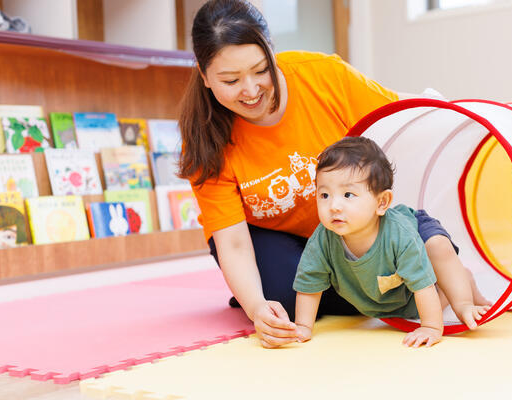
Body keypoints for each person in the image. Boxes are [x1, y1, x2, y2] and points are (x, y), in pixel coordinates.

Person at [178, 0, 477, 348]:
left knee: (422, 252)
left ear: (272, 51)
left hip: (340, 228)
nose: (251, 89)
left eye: (261, 70)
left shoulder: (322, 76)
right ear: (203, 75)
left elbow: (399, 111)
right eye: (230, 80)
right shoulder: (205, 138)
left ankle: (362, 281)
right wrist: (257, 306)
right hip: (263, 235)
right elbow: (233, 242)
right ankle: (275, 285)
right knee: (289, 300)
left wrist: (470, 113)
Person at [293, 137, 491, 348]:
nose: (334, 206)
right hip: (397, 291)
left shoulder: (400, 236)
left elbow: (422, 284)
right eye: (324, 195)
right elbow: (310, 283)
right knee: (417, 305)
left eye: (348, 194)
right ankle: (461, 279)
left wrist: (431, 327)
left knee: (437, 247)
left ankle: (463, 300)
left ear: (382, 202)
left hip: (417, 230)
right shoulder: (323, 239)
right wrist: (303, 326)